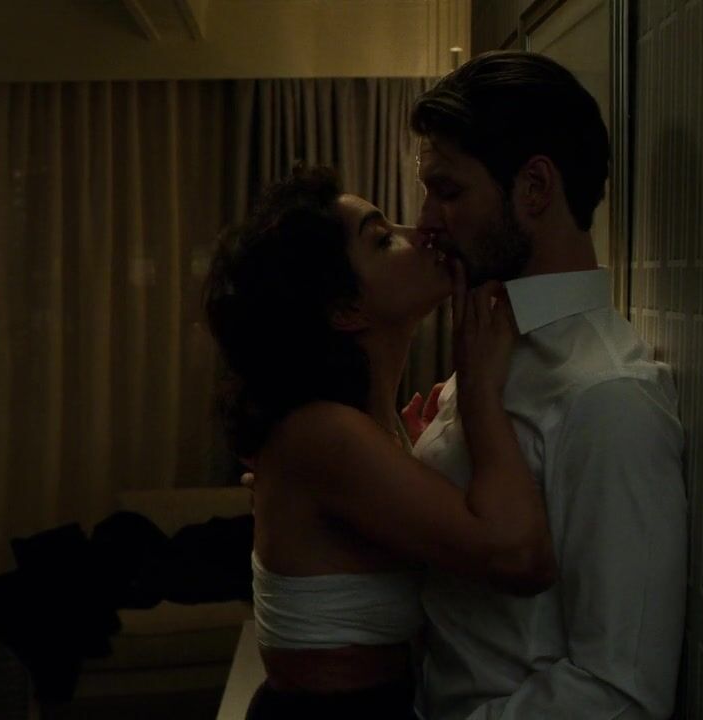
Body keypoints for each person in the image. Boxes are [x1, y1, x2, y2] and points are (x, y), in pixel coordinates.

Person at [204, 165, 557, 719]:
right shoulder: (326, 432)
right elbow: (522, 559)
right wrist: (480, 394)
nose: (422, 234)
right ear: (345, 309)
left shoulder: (360, 427)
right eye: (383, 239)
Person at [405, 50, 686, 720]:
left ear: (533, 187)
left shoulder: (606, 397)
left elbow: (619, 691)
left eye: (449, 192)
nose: (426, 223)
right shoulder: (490, 346)